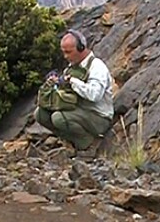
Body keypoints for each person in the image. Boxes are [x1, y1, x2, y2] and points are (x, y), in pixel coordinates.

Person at [34, 29, 115, 157]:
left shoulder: (97, 67)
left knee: (59, 118)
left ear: (81, 48)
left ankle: (88, 144)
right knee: (40, 114)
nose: (66, 56)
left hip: (98, 116)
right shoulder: (71, 68)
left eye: (69, 52)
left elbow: (94, 95)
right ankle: (71, 140)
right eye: (63, 52)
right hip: (77, 112)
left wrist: (72, 81)